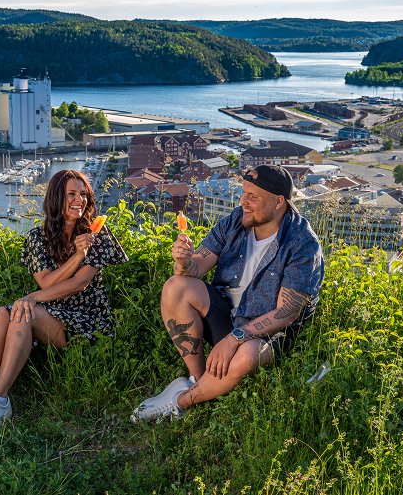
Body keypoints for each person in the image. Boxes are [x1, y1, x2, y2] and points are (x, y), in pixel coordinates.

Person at [131, 164, 324, 423]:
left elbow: (287, 313)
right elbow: (194, 268)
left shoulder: (302, 243)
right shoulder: (234, 221)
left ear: (279, 201)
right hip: (229, 313)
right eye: (244, 193)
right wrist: (184, 260)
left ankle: (179, 402)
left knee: (244, 357)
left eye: (253, 196)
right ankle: (198, 380)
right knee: (175, 286)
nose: (243, 201)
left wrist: (234, 339)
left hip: (267, 331)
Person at [0, 169, 128, 427]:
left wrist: (31, 298)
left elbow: (79, 283)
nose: (80, 200)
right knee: (4, 313)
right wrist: (77, 257)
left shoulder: (96, 235)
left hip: (88, 320)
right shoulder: (37, 238)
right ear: (56, 198)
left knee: (23, 312)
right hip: (51, 314)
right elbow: (46, 281)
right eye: (71, 194)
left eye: (83, 194)